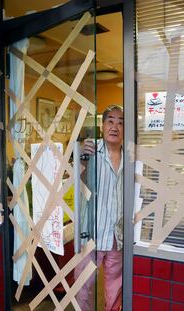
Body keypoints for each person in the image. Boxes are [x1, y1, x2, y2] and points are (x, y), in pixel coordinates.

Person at [75, 105, 124, 311]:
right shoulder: (90, 150)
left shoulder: (130, 157)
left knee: (115, 290)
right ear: (102, 126)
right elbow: (79, 182)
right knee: (83, 288)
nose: (115, 126)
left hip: (117, 235)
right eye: (110, 121)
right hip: (91, 233)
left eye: (121, 122)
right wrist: (81, 158)